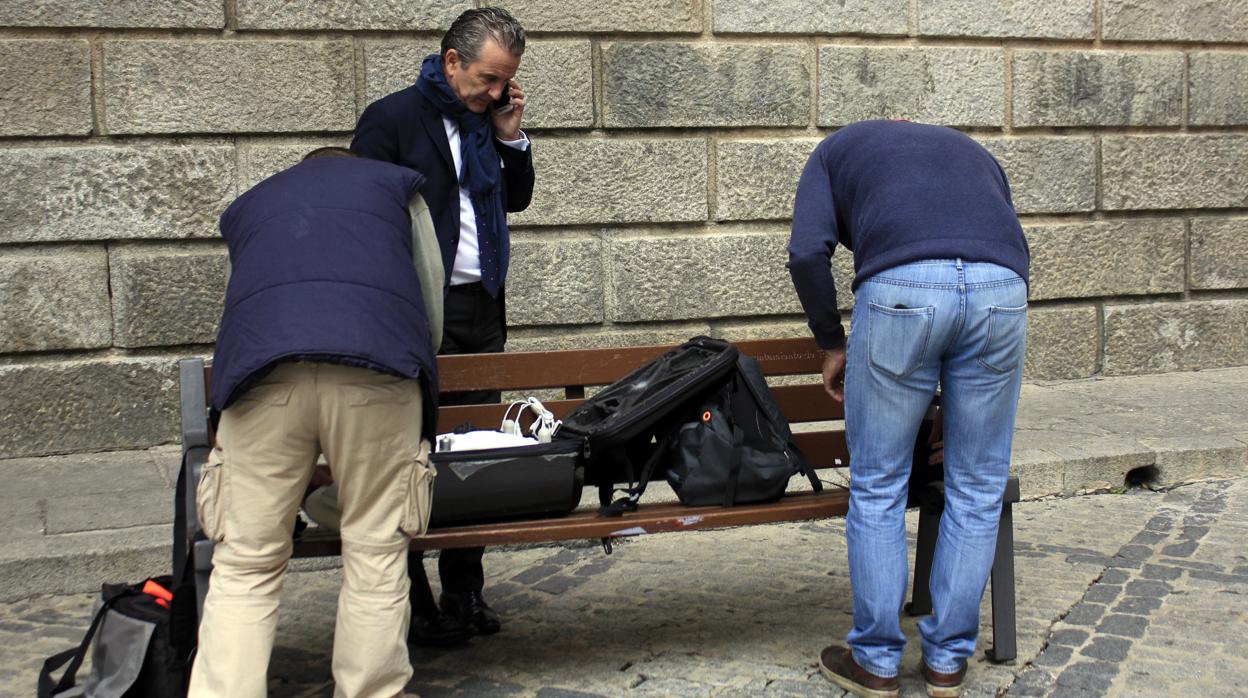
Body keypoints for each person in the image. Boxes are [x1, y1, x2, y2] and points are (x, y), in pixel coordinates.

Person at [787, 120, 1030, 698]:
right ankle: (947, 662)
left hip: (901, 291)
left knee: (878, 484)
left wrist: (831, 342)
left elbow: (805, 253)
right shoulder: (972, 152)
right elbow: (1000, 242)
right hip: (1002, 289)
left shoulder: (830, 155)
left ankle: (875, 661)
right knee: (977, 483)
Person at [190, 147, 442, 698]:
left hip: (264, 375)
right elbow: (429, 296)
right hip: (377, 372)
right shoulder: (398, 191)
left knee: (246, 563)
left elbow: (250, 300)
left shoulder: (257, 203)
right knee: (375, 549)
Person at [351, 6, 534, 646]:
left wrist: (510, 136)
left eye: (504, 82)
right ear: (452, 61)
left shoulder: (491, 123)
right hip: (416, 309)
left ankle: (465, 591)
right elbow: (364, 217)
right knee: (412, 449)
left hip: (482, 306)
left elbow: (516, 199)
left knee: (477, 450)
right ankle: (410, 596)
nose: (494, 93)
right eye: (487, 79)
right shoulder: (394, 119)